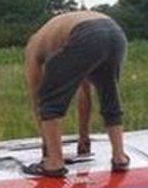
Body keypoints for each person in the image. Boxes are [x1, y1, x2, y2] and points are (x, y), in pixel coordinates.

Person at [23, 10, 130, 178]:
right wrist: (83, 138)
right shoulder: (60, 33)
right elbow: (84, 91)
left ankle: (54, 163)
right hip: (114, 32)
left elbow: (38, 98)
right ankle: (119, 157)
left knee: (48, 100)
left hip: (85, 33)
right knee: (109, 91)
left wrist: (46, 148)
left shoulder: (33, 48)